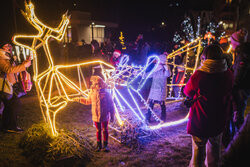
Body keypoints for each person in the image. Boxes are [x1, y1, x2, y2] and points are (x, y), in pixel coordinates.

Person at [184, 44, 233, 167]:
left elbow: (187, 91)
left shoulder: (200, 74)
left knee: (198, 151)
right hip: (218, 117)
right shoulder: (228, 73)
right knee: (215, 149)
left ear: (204, 57)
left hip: (201, 118)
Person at [74, 76, 114, 152]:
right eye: (95, 84)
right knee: (98, 130)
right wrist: (79, 99)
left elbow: (111, 104)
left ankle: (105, 145)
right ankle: (99, 145)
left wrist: (112, 115)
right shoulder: (92, 93)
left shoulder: (106, 93)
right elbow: (87, 101)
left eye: (99, 83)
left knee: (105, 129)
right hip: (96, 115)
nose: (97, 85)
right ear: (93, 84)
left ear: (102, 83)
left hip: (105, 115)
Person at [0, 43, 31, 132]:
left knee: (9, 106)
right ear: (2, 47)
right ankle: (10, 126)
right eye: (6, 46)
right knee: (14, 104)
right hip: (4, 85)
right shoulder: (1, 57)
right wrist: (23, 66)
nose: (9, 47)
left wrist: (24, 64)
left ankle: (6, 126)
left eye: (10, 45)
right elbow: (8, 69)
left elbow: (15, 69)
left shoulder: (9, 57)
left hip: (10, 85)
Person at [230, 29, 250, 132]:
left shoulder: (243, 54)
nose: (230, 43)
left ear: (236, 42)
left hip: (241, 88)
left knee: (238, 114)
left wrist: (233, 85)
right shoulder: (242, 52)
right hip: (242, 87)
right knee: (238, 112)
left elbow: (239, 72)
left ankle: (239, 138)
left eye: (232, 41)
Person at [146, 53, 171, 123]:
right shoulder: (156, 68)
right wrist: (140, 74)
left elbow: (168, 75)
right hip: (154, 88)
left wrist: (166, 69)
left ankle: (163, 117)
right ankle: (148, 117)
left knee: (162, 104)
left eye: (158, 60)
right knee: (151, 104)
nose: (156, 61)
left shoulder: (165, 68)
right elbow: (149, 75)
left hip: (160, 89)